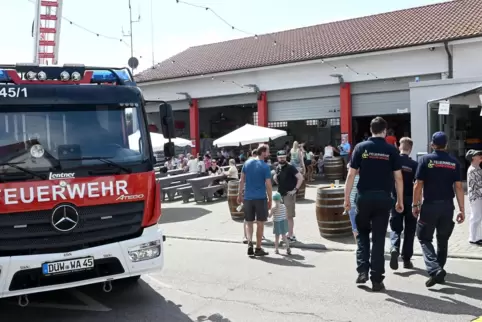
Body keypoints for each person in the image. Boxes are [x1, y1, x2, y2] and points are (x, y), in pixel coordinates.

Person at [344, 116, 403, 292]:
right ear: (384, 131)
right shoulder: (391, 150)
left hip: (364, 197)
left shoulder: (361, 148)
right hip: (383, 199)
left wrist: (346, 198)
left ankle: (362, 270)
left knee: (362, 234)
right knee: (378, 239)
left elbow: (351, 175)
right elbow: (398, 177)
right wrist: (400, 200)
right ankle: (377, 279)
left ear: (371, 130)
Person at [412, 131, 465, 287]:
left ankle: (435, 269)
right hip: (447, 206)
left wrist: (415, 205)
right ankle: (439, 272)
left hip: (430, 206)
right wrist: (462, 209)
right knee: (443, 241)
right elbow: (459, 187)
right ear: (446, 145)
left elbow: (418, 184)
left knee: (423, 237)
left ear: (432, 145)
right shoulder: (454, 162)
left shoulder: (426, 160)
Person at [389, 137, 418, 270]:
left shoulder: (393, 161)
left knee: (396, 227)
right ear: (410, 149)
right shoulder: (414, 165)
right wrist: (418, 203)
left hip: (395, 198)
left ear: (399, 147)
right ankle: (406, 259)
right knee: (410, 230)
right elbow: (418, 184)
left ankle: (394, 247)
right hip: (410, 199)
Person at [237, 145, 272, 257]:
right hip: (260, 198)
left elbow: (241, 181)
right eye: (267, 151)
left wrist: (239, 194)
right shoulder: (265, 166)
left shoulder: (247, 163)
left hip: (248, 198)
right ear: (263, 152)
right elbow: (268, 185)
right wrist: (270, 199)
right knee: (260, 223)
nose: (269, 153)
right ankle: (258, 248)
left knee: (249, 222)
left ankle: (249, 244)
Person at [273, 150, 304, 242]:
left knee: (289, 216)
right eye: (280, 157)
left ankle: (290, 235)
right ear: (277, 158)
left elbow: (300, 178)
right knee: (283, 215)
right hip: (280, 194)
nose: (282, 159)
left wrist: (295, 190)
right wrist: (276, 179)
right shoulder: (278, 167)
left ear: (286, 157)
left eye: (283, 157)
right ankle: (289, 234)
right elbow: (277, 178)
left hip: (288, 194)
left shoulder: (290, 167)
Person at [467, 149, 482, 245]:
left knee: (478, 217)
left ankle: (477, 237)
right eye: (477, 155)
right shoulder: (473, 170)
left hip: (478, 196)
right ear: (472, 158)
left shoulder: (478, 168)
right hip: (476, 197)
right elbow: (479, 184)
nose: (480, 155)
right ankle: (473, 238)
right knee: (476, 217)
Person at [347, 162, 359, 242]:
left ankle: (358, 246)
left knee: (354, 227)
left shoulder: (350, 179)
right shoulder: (363, 178)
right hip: (361, 205)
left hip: (352, 205)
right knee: (363, 227)